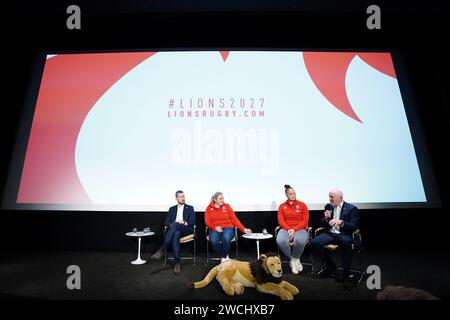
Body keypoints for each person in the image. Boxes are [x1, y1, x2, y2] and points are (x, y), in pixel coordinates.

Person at [310, 189, 359, 290]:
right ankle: (331, 265)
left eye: (332, 197)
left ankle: (346, 277)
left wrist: (341, 222)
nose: (330, 199)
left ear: (340, 198)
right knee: (314, 242)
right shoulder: (328, 206)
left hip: (343, 234)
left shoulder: (351, 208)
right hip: (331, 233)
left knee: (346, 243)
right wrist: (326, 218)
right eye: (329, 196)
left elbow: (354, 226)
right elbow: (323, 222)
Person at [151, 190, 195, 275]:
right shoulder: (172, 209)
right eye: (180, 197)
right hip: (175, 230)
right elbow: (166, 222)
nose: (183, 198)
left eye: (183, 196)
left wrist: (184, 222)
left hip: (186, 229)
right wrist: (172, 225)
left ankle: (162, 249)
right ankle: (177, 263)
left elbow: (192, 222)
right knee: (176, 233)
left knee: (176, 225)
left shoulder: (190, 208)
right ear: (176, 198)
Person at [205, 192, 252, 262]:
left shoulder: (227, 206)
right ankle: (225, 256)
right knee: (213, 241)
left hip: (228, 227)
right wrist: (215, 228)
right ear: (215, 199)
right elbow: (207, 222)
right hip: (215, 228)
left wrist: (243, 229)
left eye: (223, 198)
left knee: (226, 238)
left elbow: (234, 219)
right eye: (220, 199)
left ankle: (223, 259)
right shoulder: (209, 208)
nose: (222, 200)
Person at [276, 184, 310, 274]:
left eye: (294, 193)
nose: (293, 195)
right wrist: (289, 229)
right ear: (286, 195)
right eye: (290, 194)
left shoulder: (302, 205)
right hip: (286, 228)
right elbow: (281, 221)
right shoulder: (282, 206)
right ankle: (292, 259)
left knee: (299, 241)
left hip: (300, 228)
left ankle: (295, 258)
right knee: (280, 241)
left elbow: (305, 221)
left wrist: (294, 229)